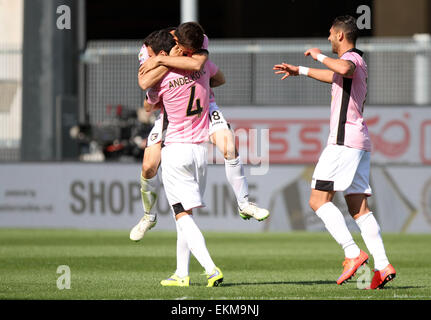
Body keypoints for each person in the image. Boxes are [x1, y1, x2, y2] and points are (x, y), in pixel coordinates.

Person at [273, 15, 396, 290]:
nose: (328, 38)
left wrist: (317, 56)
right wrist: (300, 70)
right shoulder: (351, 63)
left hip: (343, 143)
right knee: (360, 209)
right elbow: (334, 75)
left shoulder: (352, 58)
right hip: (359, 143)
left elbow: (344, 68)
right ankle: (383, 264)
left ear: (340, 35)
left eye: (330, 33)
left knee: (317, 200)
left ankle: (352, 253)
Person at [130, 22, 269, 242]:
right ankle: (149, 215)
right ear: (176, 44)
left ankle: (244, 204)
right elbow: (144, 81)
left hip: (206, 107)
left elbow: (200, 64)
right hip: (171, 114)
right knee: (149, 166)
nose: (193, 53)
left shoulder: (197, 39)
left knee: (229, 147)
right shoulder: (148, 48)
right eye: (188, 51)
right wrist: (168, 65)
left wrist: (165, 62)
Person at [143, 29, 223, 287]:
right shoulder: (203, 68)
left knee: (180, 214)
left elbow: (148, 100)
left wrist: (161, 63)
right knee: (186, 215)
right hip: (201, 150)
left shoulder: (163, 78)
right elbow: (220, 78)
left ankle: (211, 269)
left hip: (176, 148)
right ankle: (181, 273)